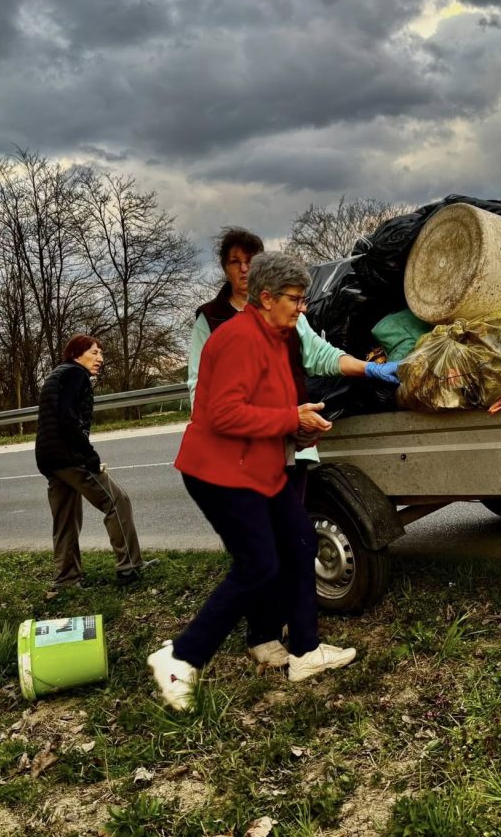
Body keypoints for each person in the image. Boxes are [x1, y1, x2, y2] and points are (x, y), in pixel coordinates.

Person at [147, 253, 358, 710]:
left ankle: (304, 652)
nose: (301, 309)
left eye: (303, 300)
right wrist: (288, 417)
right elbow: (222, 413)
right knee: (259, 566)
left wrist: (298, 427)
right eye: (295, 300)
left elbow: (270, 407)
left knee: (301, 544)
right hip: (222, 475)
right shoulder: (239, 339)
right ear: (266, 298)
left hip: (262, 469)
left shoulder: (278, 339)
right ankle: (180, 658)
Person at [188, 228, 399, 500]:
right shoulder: (211, 320)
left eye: (250, 261)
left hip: (292, 442)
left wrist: (369, 369)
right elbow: (198, 384)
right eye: (234, 262)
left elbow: (321, 355)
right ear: (224, 267)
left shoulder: (286, 310)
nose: (243, 269)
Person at [35, 335, 151, 587]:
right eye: (94, 353)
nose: (100, 359)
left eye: (101, 354)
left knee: (65, 520)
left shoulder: (58, 375)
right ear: (77, 354)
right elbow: (67, 417)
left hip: (49, 458)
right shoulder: (76, 374)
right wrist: (88, 454)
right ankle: (129, 566)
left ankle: (66, 579)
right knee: (117, 501)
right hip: (69, 455)